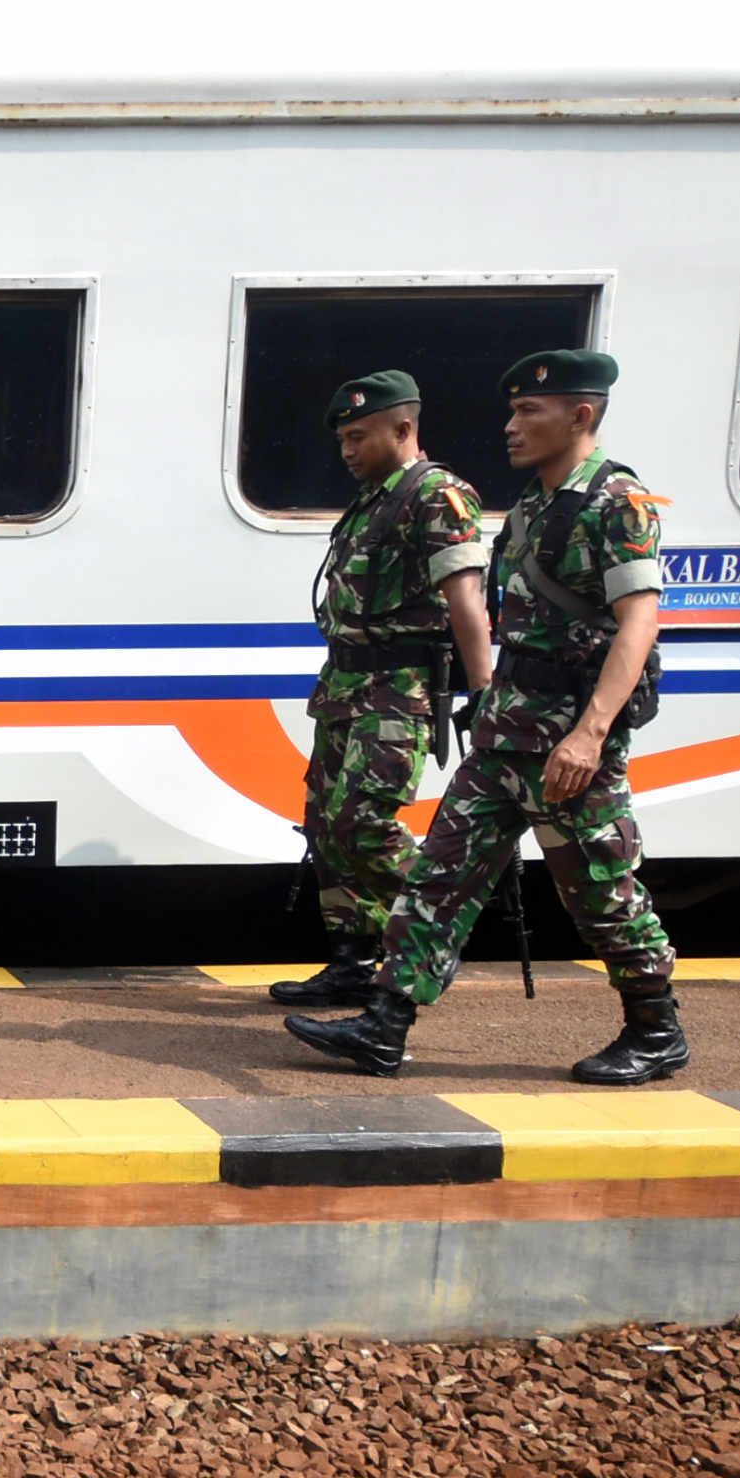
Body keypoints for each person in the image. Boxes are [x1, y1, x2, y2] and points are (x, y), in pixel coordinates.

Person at [285, 347, 685, 1084]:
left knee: (600, 890)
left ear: (580, 414)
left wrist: (591, 732)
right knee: (439, 876)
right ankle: (385, 1023)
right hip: (508, 730)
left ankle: (655, 1026)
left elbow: (639, 624)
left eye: (529, 410)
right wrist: (487, 701)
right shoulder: (532, 509)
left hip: (568, 738)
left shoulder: (617, 504)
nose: (511, 425)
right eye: (512, 410)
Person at [272, 370, 495, 1010]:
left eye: (358, 436)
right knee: (325, 824)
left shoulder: (436, 495)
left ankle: (435, 924)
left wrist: (483, 693)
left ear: (404, 428)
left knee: (363, 823)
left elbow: (466, 601)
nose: (346, 450)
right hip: (345, 686)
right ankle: (352, 958)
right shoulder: (375, 497)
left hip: (396, 692)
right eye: (342, 438)